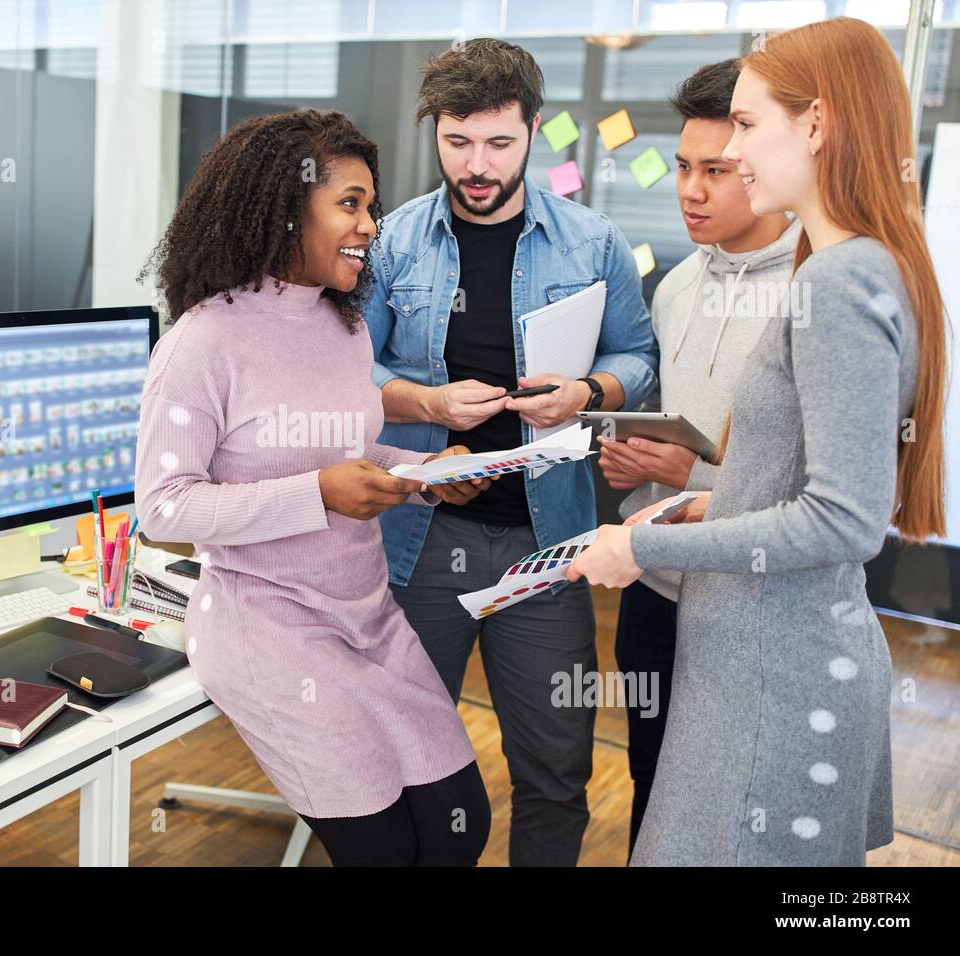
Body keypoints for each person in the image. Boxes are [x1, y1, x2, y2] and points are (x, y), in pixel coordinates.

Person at [569, 17, 946, 865]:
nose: (732, 156)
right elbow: (809, 487)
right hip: (770, 666)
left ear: (815, 125)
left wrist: (639, 543)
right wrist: (703, 504)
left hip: (776, 678)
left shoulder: (843, 279)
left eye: (744, 126)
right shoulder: (862, 264)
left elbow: (842, 522)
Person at [135, 109, 494, 866]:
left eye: (372, 205)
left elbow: (350, 456)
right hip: (266, 626)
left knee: (461, 819)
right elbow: (165, 505)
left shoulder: (345, 328)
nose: (372, 224)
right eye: (351, 203)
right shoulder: (202, 343)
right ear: (284, 209)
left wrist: (425, 477)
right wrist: (319, 494)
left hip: (368, 617)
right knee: (384, 848)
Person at [362, 38, 658, 866]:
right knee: (403, 763)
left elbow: (638, 358)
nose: (477, 165)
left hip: (551, 544)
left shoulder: (593, 242)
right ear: (436, 134)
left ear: (534, 129)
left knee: (556, 769)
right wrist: (427, 406)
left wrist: (586, 395)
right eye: (457, 143)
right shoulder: (393, 243)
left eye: (498, 142)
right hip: (424, 538)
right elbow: (352, 375)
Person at [596, 58, 798, 858]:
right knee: (653, 789)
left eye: (717, 171)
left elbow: (830, 494)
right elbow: (684, 436)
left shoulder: (815, 293)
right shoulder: (676, 284)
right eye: (683, 166)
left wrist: (695, 481)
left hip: (753, 606)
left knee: (740, 812)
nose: (690, 189)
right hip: (653, 589)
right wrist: (637, 467)